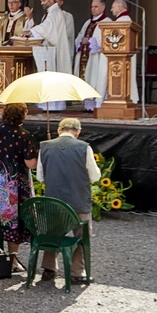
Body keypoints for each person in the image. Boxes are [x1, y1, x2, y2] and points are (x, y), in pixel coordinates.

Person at [36, 118, 100, 284]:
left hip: (54, 201)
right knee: (82, 236)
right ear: (77, 132)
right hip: (78, 200)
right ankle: (76, 273)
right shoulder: (84, 147)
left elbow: (40, 177)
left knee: (53, 234)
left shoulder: (44, 146)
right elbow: (94, 176)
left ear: (59, 130)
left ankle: (49, 269)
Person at [0, 103, 38, 271]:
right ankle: (13, 261)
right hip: (15, 185)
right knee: (14, 221)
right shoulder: (25, 136)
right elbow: (31, 164)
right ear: (23, 116)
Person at [23, 0, 73, 110]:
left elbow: (47, 28)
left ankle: (52, 105)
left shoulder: (55, 12)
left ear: (51, 1)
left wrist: (32, 31)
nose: (41, 3)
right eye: (41, 1)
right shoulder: (50, 13)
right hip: (48, 49)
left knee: (51, 75)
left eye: (44, 0)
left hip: (53, 51)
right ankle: (48, 104)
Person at [73, 0, 111, 111]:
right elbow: (80, 35)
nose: (93, 9)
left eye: (96, 7)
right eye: (92, 7)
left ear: (103, 8)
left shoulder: (107, 22)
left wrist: (90, 41)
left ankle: (97, 104)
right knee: (87, 78)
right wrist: (81, 40)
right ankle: (88, 105)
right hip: (85, 57)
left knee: (95, 79)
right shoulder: (88, 22)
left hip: (97, 59)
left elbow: (105, 40)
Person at [106, 0, 140, 104]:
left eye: (113, 7)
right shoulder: (122, 19)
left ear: (120, 8)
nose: (111, 9)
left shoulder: (123, 20)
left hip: (124, 56)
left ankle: (124, 98)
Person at [55, 0, 76, 64]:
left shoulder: (68, 16)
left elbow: (68, 33)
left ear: (61, 2)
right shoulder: (46, 17)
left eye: (57, 1)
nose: (55, 4)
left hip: (64, 50)